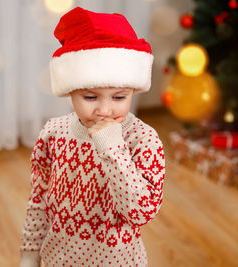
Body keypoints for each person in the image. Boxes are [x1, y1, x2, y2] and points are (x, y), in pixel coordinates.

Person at [19, 7, 165, 267]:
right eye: (90, 97)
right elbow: (39, 198)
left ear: (133, 90)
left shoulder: (142, 139)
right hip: (58, 260)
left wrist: (113, 149)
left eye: (120, 97)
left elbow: (141, 212)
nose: (104, 110)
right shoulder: (54, 133)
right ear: (70, 91)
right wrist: (30, 253)